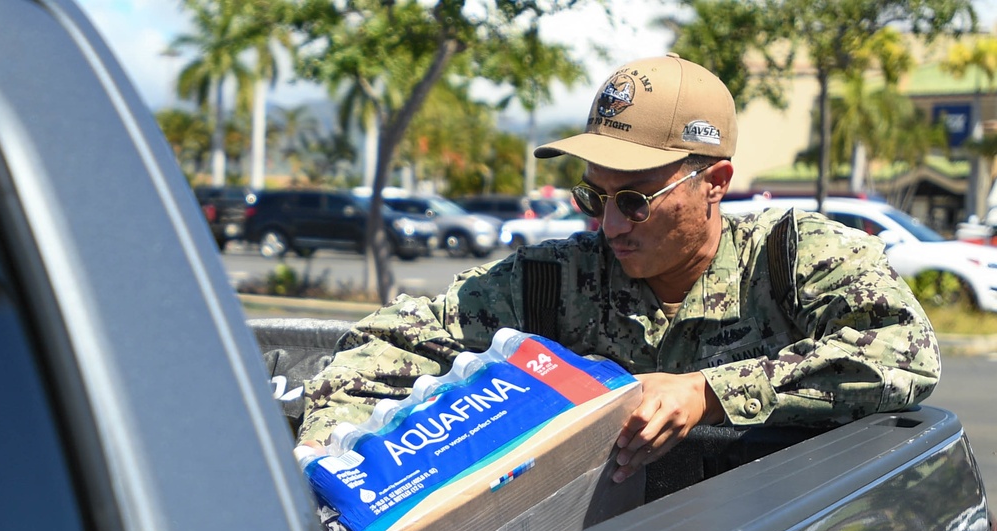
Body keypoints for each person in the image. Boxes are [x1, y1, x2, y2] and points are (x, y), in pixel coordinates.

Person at [297, 54, 940, 484]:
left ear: (714, 182)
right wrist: (325, 466)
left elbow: (904, 353)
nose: (608, 227)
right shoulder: (549, 282)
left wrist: (710, 392)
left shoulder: (792, 258)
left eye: (634, 200)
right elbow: (388, 343)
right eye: (593, 197)